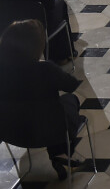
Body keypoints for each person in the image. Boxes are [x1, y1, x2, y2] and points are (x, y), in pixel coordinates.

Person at [0, 20, 82, 180]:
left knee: (40, 109)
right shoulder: (45, 69)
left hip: (10, 131)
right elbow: (71, 85)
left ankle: (58, 153)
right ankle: (61, 152)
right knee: (69, 100)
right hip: (49, 130)